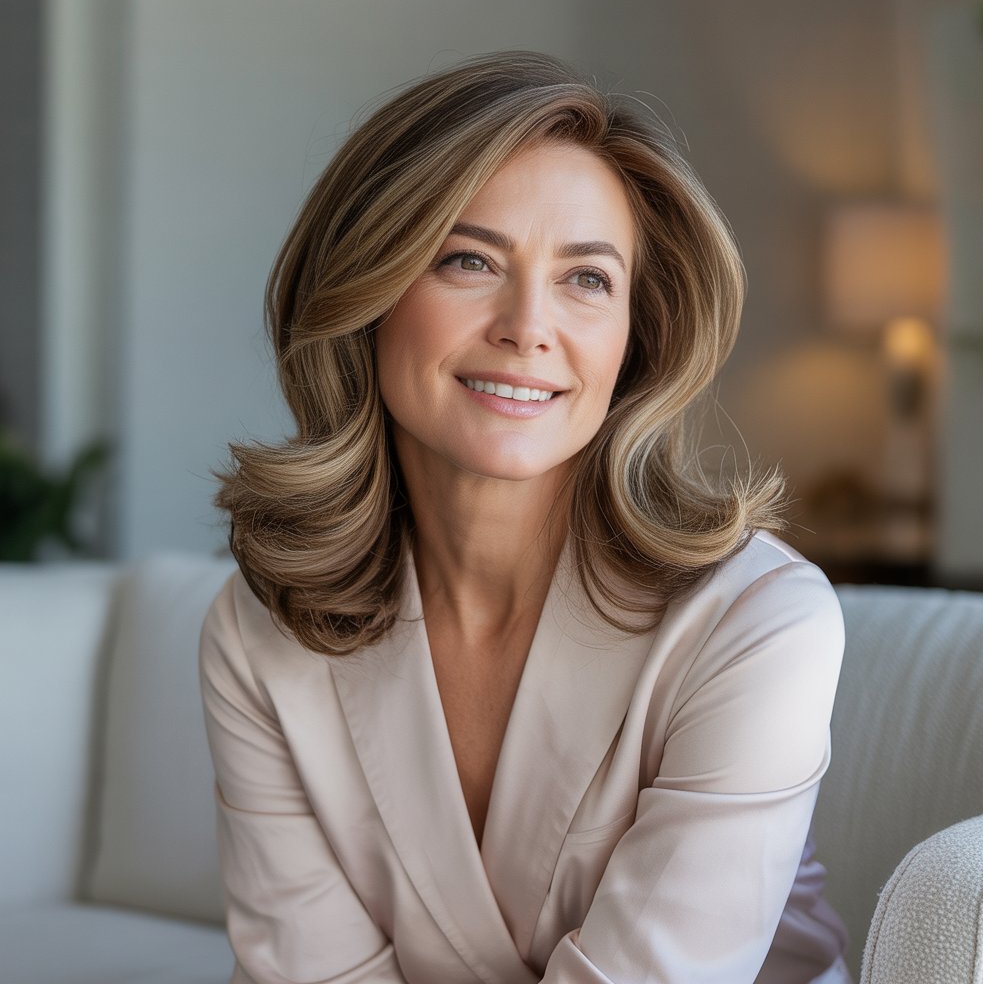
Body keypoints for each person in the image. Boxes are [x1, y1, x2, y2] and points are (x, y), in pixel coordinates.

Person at [200, 50, 850, 984]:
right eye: (468, 260)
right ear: (365, 293)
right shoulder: (257, 631)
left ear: (636, 337)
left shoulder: (757, 622)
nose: (527, 326)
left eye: (587, 279)